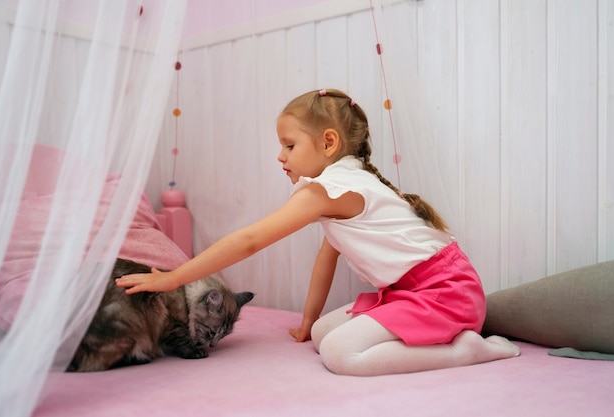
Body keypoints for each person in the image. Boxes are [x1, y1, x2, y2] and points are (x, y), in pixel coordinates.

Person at [116, 88, 520, 376]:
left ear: (328, 142)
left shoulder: (332, 189)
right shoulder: (343, 185)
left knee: (340, 354)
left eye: (289, 145)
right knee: (325, 332)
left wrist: (172, 278)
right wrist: (309, 318)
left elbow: (249, 240)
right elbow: (328, 254)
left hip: (445, 292)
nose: (280, 155)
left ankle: (464, 352)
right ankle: (445, 339)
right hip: (417, 290)